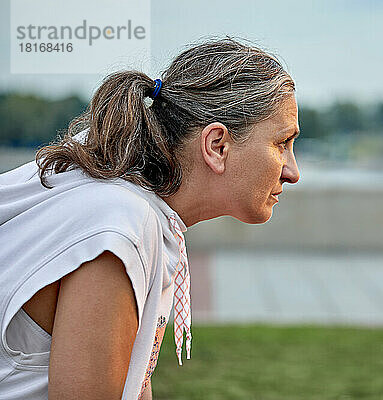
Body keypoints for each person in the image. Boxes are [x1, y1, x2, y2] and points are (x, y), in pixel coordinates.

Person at [0, 37, 300, 399]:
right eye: (282, 143)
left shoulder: (129, 202)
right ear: (217, 145)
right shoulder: (120, 224)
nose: (292, 171)